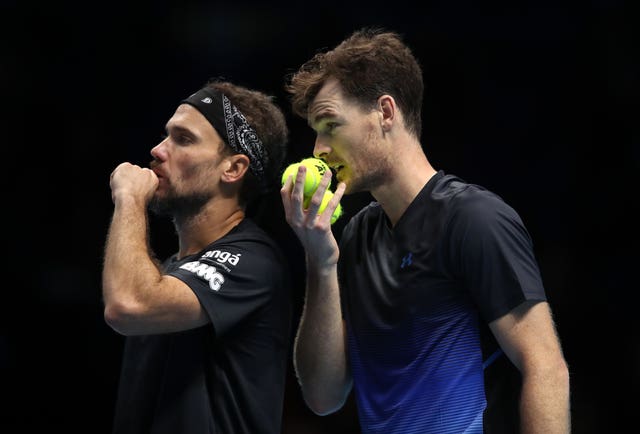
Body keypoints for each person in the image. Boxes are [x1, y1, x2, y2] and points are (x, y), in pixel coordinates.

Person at [280, 27, 571, 433]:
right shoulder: (357, 236)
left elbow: (546, 368)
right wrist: (320, 259)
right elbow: (323, 396)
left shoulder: (473, 219)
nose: (318, 150)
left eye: (330, 125)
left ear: (385, 112)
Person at [102, 78, 292, 434]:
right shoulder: (169, 272)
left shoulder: (255, 261)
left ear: (233, 169)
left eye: (183, 139)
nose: (158, 150)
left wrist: (129, 199)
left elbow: (128, 304)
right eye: (166, 135)